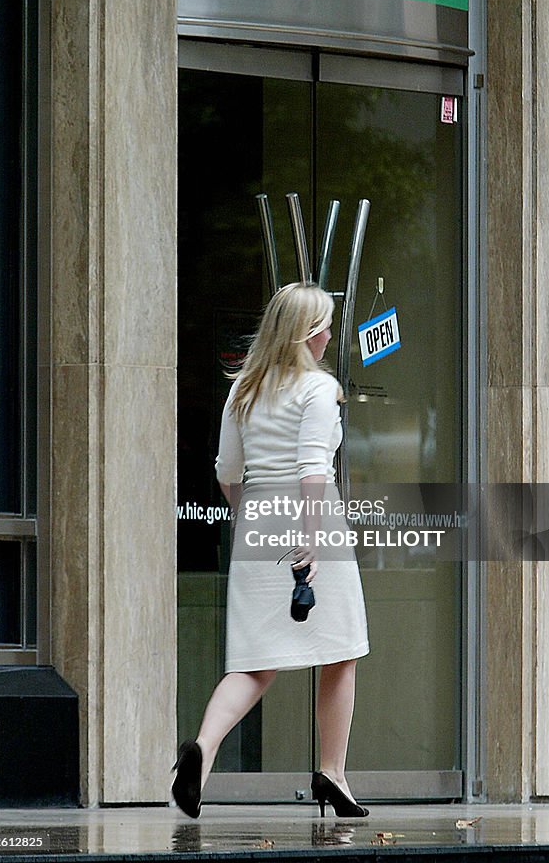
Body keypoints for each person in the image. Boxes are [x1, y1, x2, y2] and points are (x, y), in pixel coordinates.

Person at [172, 282, 370, 820]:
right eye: (326, 326)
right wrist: (309, 536)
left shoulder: (244, 389)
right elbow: (312, 469)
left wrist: (253, 519)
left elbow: (226, 473)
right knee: (342, 651)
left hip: (257, 517)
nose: (330, 335)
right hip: (312, 520)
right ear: (310, 334)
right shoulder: (318, 388)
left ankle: (203, 750)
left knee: (255, 660)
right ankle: (333, 773)